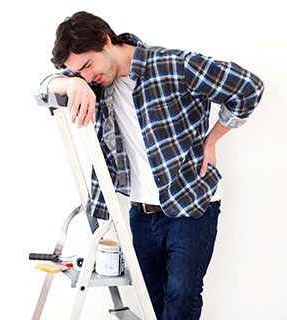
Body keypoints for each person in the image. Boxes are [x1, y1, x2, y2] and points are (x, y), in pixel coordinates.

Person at [38, 11, 264, 320]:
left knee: (182, 297)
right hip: (142, 214)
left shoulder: (175, 64)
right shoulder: (96, 83)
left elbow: (249, 87)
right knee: (151, 301)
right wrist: (70, 84)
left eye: (87, 66)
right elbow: (44, 86)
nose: (87, 77)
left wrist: (212, 140)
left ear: (106, 41)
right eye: (79, 72)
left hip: (191, 204)